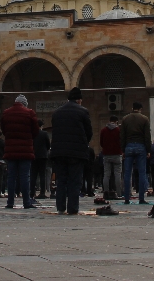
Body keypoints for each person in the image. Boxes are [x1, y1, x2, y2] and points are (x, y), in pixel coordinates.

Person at [50, 87, 92, 215]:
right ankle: (73, 208)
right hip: (76, 153)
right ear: (79, 100)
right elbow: (89, 133)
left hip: (59, 153)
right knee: (75, 181)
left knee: (61, 180)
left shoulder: (57, 113)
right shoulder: (83, 112)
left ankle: (61, 207)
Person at [1, 94, 38, 208]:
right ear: (25, 104)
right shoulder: (30, 113)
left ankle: (10, 202)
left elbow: (3, 129)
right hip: (25, 150)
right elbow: (35, 131)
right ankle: (26, 202)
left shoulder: (6, 113)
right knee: (24, 176)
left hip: (11, 150)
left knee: (11, 176)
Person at [120, 102, 150, 204]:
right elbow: (147, 136)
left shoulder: (125, 119)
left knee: (127, 174)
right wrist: (149, 150)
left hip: (128, 146)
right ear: (140, 108)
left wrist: (123, 149)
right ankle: (141, 198)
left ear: (132, 108)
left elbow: (122, 136)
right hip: (141, 146)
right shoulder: (144, 119)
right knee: (142, 173)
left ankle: (127, 198)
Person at [99, 114, 122, 199]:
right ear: (116, 121)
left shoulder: (103, 130)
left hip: (106, 154)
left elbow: (101, 143)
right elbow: (121, 141)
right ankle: (118, 193)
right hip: (117, 154)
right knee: (117, 174)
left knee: (106, 174)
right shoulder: (118, 130)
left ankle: (106, 192)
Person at [33, 121, 51, 199]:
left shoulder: (32, 134)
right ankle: (42, 193)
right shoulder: (44, 134)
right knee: (42, 175)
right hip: (43, 156)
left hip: (33, 155)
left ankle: (32, 192)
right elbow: (48, 144)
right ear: (41, 126)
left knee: (33, 175)